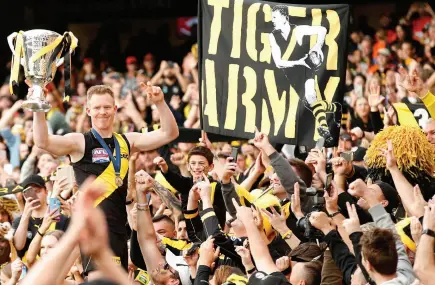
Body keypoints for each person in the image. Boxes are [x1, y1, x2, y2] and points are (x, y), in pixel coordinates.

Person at [32, 82, 179, 278]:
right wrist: (38, 106)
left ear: (115, 109)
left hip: (118, 229)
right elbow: (42, 141)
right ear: (88, 110)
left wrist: (160, 103)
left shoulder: (127, 141)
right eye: (97, 107)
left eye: (107, 107)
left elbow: (169, 133)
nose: (103, 112)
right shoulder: (80, 141)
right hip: (93, 229)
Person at [269, 5, 341, 145]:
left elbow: (322, 29)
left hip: (307, 69)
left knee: (310, 96)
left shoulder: (299, 30)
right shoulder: (273, 36)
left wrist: (318, 46)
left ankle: (324, 127)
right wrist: (299, 62)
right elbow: (278, 62)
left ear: (284, 18)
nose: (273, 20)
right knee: (309, 104)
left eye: (275, 17)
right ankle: (334, 108)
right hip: (291, 74)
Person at [12, 174, 69, 259]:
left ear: (46, 191)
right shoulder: (19, 221)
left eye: (37, 191)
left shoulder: (61, 218)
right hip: (30, 269)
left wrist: (55, 196)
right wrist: (25, 214)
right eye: (29, 192)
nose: (34, 195)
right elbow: (19, 246)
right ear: (24, 196)